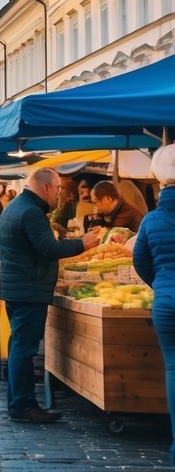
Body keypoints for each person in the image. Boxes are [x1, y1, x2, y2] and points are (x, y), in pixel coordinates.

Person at [0, 168, 102, 423]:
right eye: (57, 189)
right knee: (24, 348)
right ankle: (23, 406)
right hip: (28, 289)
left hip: (19, 287)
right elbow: (48, 248)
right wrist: (82, 244)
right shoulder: (32, 212)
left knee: (18, 346)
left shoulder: (15, 206)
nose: (59, 194)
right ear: (46, 187)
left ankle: (18, 402)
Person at [132, 145, 175, 465]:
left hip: (165, 304)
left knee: (173, 370)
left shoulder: (151, 219)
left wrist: (160, 286)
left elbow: (141, 262)